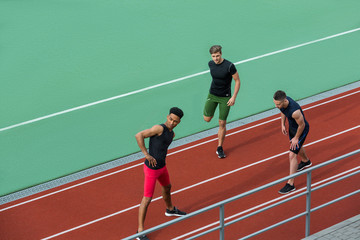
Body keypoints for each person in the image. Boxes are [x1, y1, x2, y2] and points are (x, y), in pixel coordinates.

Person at [135, 107, 186, 240]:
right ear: (167, 116)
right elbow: (139, 135)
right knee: (147, 199)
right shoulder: (159, 128)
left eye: (175, 121)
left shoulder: (172, 134)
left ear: (178, 122)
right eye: (170, 119)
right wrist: (146, 154)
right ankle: (140, 231)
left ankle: (170, 209)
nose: (171, 122)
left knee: (168, 187)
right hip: (151, 169)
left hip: (162, 168)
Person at [203, 45, 241, 158]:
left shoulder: (230, 66)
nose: (216, 59)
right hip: (212, 94)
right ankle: (213, 111)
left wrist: (233, 97)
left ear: (221, 54)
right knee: (207, 119)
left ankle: (219, 147)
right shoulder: (210, 64)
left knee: (222, 123)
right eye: (213, 56)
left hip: (225, 97)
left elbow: (237, 81)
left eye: (217, 56)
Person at [273, 90, 312, 194]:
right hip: (292, 128)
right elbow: (282, 111)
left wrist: (296, 137)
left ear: (285, 101)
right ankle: (305, 161)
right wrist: (282, 124)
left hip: (301, 130)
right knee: (297, 148)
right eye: (275, 104)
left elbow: (302, 125)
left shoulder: (295, 111)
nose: (276, 106)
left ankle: (291, 184)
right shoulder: (282, 104)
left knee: (292, 154)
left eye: (278, 104)